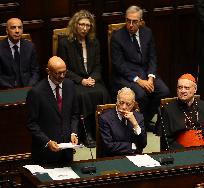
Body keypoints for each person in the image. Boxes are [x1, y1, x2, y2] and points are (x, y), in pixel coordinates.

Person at [111, 5, 170, 131]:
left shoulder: (147, 32)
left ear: (141, 22)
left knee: (164, 91)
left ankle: (145, 120)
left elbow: (153, 57)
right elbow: (119, 65)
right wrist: (138, 80)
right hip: (126, 76)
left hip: (146, 74)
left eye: (134, 21)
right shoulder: (117, 37)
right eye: (128, 21)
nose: (131, 25)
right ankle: (141, 121)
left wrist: (151, 77)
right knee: (141, 95)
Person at [57, 10, 110, 147]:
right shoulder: (65, 43)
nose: (84, 28)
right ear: (75, 25)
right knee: (82, 95)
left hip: (92, 79)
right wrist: (81, 80)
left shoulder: (94, 42)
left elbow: (98, 65)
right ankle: (87, 133)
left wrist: (93, 78)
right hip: (74, 80)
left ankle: (102, 131)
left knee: (102, 92)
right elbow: (64, 69)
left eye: (88, 25)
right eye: (81, 24)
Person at [26, 56, 79, 165]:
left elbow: (75, 114)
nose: (62, 76)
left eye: (64, 72)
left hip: (67, 152)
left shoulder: (70, 85)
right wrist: (47, 141)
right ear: (48, 71)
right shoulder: (36, 92)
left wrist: (74, 132)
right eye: (58, 73)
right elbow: (31, 123)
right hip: (45, 154)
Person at [161, 73, 204, 150]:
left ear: (195, 90)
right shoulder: (168, 109)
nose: (182, 91)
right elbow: (167, 141)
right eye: (180, 87)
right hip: (182, 152)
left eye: (186, 88)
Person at [99, 87, 147, 157]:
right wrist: (132, 146)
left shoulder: (138, 117)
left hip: (134, 157)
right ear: (117, 101)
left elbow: (143, 144)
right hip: (113, 158)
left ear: (133, 104)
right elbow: (108, 146)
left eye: (128, 104)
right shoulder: (105, 118)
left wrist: (135, 124)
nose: (124, 107)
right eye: (121, 103)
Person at [0, 18, 39, 89]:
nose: (17, 31)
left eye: (20, 28)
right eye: (13, 28)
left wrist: (29, 86)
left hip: (28, 87)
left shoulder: (30, 46)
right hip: (7, 89)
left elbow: (35, 71)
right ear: (7, 30)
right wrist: (10, 89)